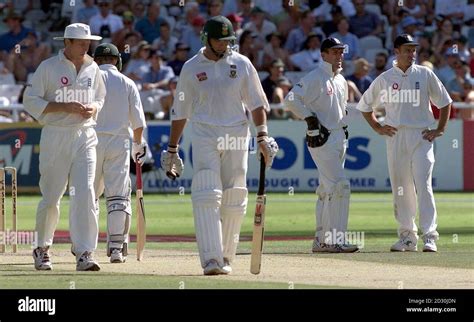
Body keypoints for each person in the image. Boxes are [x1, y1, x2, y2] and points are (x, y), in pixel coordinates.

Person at [160, 16, 278, 275]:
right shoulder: (191, 68)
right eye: (220, 40)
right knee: (206, 192)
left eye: (228, 41)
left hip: (236, 133)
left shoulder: (242, 63)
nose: (225, 45)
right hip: (204, 134)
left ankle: (226, 256)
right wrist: (172, 148)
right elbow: (180, 111)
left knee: (234, 195)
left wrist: (262, 136)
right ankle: (211, 260)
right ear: (206, 39)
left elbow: (257, 103)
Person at [356, 34, 453, 252]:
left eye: (413, 50)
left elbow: (445, 101)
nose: (412, 54)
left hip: (421, 135)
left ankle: (430, 236)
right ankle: (407, 236)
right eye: (407, 50)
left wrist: (440, 129)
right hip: (396, 136)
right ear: (396, 52)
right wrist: (377, 127)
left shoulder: (425, 73)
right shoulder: (386, 78)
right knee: (401, 187)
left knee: (423, 184)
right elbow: (364, 106)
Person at [23, 23, 106, 271]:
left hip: (86, 134)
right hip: (56, 135)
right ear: (67, 43)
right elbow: (30, 100)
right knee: (51, 196)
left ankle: (84, 252)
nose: (86, 46)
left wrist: (95, 108)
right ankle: (42, 248)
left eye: (88, 42)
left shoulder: (94, 68)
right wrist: (63, 107)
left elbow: (100, 97)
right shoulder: (48, 67)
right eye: (81, 42)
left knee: (85, 194)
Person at [285, 37, 359, 253]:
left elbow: (342, 109)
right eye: (335, 52)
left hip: (339, 136)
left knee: (327, 189)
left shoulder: (341, 80)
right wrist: (310, 119)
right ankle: (336, 239)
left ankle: (321, 240)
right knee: (340, 186)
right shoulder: (315, 77)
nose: (339, 56)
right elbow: (291, 99)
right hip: (322, 137)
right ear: (324, 55)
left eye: (341, 52)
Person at [93, 43, 147, 263]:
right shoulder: (127, 83)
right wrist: (138, 144)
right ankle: (116, 249)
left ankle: (84, 248)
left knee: (88, 196)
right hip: (119, 144)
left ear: (96, 60)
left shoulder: (87, 81)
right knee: (117, 196)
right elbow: (138, 122)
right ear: (116, 60)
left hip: (91, 143)